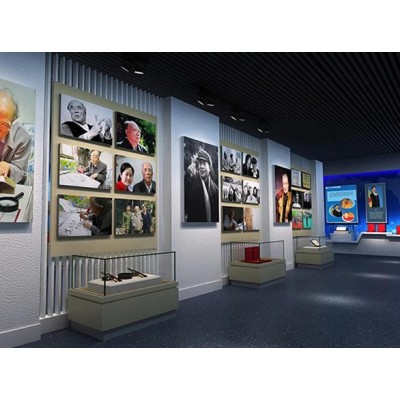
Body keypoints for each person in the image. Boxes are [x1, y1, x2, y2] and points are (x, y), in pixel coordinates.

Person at [0, 88, 32, 184]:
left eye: (4, 124)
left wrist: (8, 168)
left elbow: (21, 173)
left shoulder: (23, 138)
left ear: (13, 121)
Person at [185, 148, 218, 222]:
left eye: (204, 163)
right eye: (200, 163)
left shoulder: (215, 189)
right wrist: (188, 173)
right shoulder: (192, 181)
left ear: (209, 168)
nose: (201, 166)